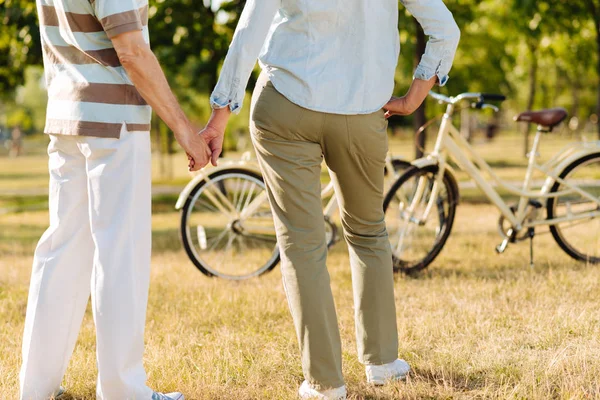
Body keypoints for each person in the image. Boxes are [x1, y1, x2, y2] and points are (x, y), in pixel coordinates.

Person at [199, 0, 460, 398]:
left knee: (302, 245)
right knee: (369, 231)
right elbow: (445, 29)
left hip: (285, 105)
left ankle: (324, 385)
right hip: (361, 112)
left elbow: (250, 30)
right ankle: (383, 362)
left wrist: (221, 112)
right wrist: (412, 97)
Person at [20, 1, 211, 399]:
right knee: (119, 256)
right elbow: (132, 51)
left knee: (61, 254)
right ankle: (124, 392)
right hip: (114, 123)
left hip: (66, 115)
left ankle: (35, 389)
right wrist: (183, 128)